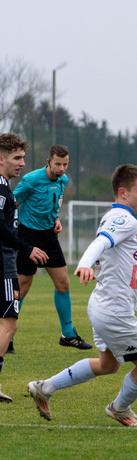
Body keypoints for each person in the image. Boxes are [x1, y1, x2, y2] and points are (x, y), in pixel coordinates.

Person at [27, 164, 137, 427]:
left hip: (103, 305)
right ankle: (120, 408)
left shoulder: (116, 217)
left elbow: (119, 272)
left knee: (107, 365)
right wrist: (85, 263)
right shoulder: (125, 219)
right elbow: (99, 244)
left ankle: (45, 387)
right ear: (123, 192)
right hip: (114, 313)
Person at [15, 144, 93, 351]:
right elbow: (10, 203)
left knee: (63, 283)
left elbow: (54, 204)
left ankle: (67, 335)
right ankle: (7, 332)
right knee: (23, 286)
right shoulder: (30, 180)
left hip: (49, 237)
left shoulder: (63, 180)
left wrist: (57, 219)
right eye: (58, 164)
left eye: (65, 164)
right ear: (48, 162)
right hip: (28, 236)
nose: (61, 168)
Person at [0, 133, 49, 402]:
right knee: (9, 324)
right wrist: (25, 248)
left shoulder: (5, 186)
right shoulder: (0, 186)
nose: (22, 163)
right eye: (17, 158)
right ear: (1, 158)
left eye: (23, 158)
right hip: (3, 265)